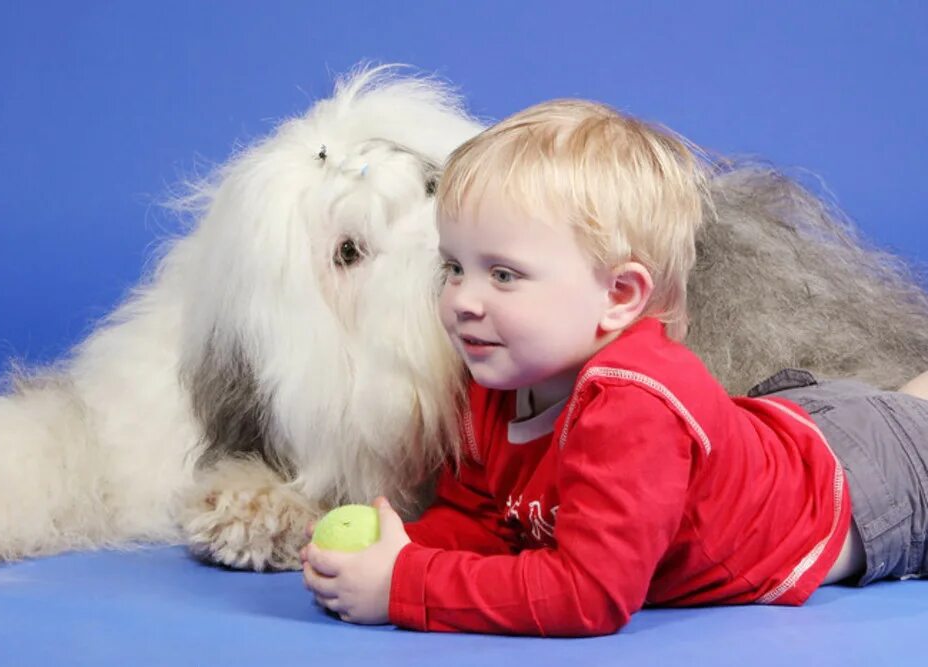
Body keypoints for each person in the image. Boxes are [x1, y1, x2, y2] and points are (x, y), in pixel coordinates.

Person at [301, 99, 928, 636]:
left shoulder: (634, 406)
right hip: (799, 425)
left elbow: (589, 595)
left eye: (503, 275)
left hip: (871, 494)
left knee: (913, 421)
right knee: (907, 407)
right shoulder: (499, 376)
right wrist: (401, 547)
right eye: (454, 268)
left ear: (620, 297)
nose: (464, 299)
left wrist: (408, 584)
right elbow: (482, 516)